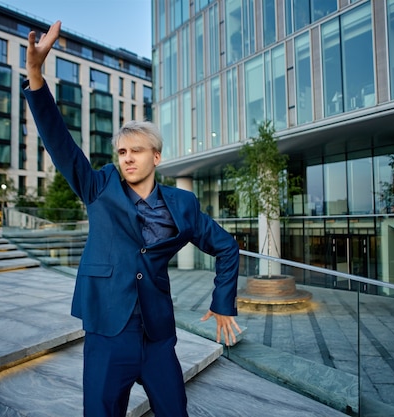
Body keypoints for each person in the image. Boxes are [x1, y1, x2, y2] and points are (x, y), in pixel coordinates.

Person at [22, 21, 241, 417]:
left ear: (155, 157)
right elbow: (60, 143)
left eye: (136, 151)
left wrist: (223, 303)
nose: (127, 158)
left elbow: (226, 247)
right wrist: (36, 77)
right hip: (107, 333)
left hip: (157, 337)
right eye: (122, 152)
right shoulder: (98, 187)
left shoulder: (183, 204)